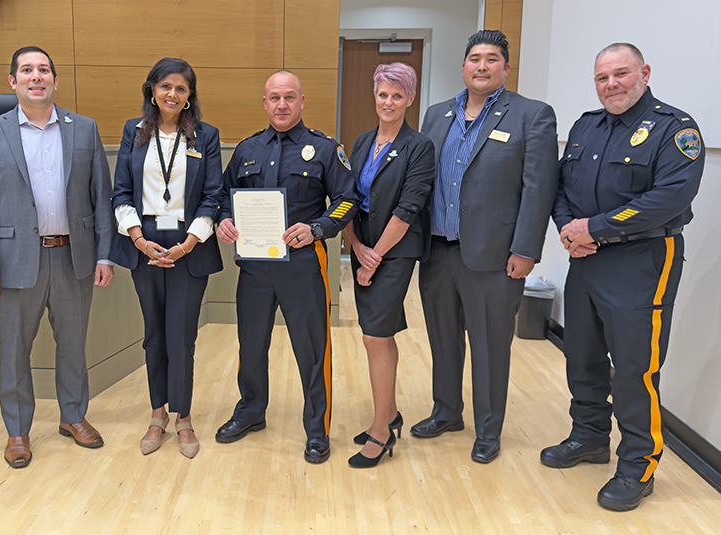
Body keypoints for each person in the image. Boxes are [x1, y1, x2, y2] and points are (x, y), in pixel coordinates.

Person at [543, 43, 704, 511]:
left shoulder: (675, 129)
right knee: (582, 356)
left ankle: (637, 465)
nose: (611, 84)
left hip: (642, 260)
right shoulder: (586, 127)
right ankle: (589, 436)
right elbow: (560, 188)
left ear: (644, 73)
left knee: (634, 369)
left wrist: (592, 229)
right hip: (586, 260)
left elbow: (669, 198)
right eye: (602, 77)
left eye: (621, 74)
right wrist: (570, 231)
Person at [413, 30, 558, 463]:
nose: (482, 66)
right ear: (463, 67)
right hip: (438, 249)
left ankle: (489, 428)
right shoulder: (436, 115)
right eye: (474, 58)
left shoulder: (532, 115)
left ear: (506, 68)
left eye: (492, 59)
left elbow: (539, 189)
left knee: (490, 346)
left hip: (495, 256)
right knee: (443, 338)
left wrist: (526, 250)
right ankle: (446, 412)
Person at [0, 46, 114, 468]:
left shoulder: (83, 129)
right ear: (12, 81)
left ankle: (73, 416)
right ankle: (17, 430)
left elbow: (101, 198)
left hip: (74, 258)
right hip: (14, 261)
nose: (37, 76)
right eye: (27, 70)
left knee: (73, 346)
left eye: (44, 70)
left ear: (55, 80)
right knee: (14, 350)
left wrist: (105, 255)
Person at [214, 70, 358, 463]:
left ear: (301, 101)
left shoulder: (324, 149)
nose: (282, 104)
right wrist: (223, 220)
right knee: (251, 344)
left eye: (289, 97)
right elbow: (224, 196)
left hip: (303, 266)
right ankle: (251, 411)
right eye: (274, 97)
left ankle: (317, 430)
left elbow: (348, 200)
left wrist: (316, 229)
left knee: (312, 350)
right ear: (265, 102)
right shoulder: (246, 150)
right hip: (255, 268)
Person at [108, 58, 223, 459]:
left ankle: (183, 417)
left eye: (181, 88)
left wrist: (188, 243)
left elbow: (213, 196)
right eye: (165, 87)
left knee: (181, 336)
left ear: (189, 96)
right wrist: (138, 239)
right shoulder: (134, 131)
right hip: (145, 244)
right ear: (152, 90)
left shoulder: (206, 136)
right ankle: (157, 413)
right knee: (154, 334)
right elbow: (121, 191)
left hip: (188, 246)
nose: (172, 94)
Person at [344, 63, 436, 468]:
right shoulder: (363, 141)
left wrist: (374, 256)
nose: (389, 102)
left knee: (374, 337)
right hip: (363, 245)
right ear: (374, 95)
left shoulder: (419, 146)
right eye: (383, 94)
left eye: (397, 96)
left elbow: (408, 208)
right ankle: (391, 413)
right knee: (378, 335)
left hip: (395, 251)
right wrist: (355, 246)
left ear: (410, 99)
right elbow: (347, 197)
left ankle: (381, 432)